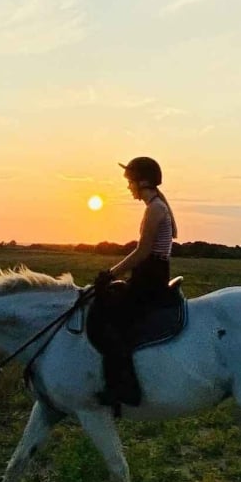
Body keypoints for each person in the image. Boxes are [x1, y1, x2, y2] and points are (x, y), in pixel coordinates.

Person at [94, 157, 178, 409]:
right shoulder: (155, 206)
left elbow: (142, 252)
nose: (128, 187)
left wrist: (111, 272)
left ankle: (125, 388)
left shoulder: (155, 209)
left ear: (143, 181)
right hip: (147, 272)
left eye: (130, 181)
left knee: (111, 321)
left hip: (150, 275)